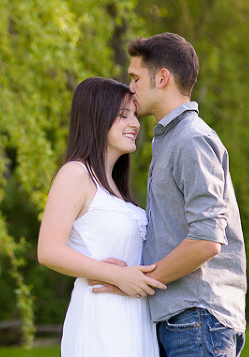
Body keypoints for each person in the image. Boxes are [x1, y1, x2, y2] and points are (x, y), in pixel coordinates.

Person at [94, 32, 247, 357]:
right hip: (184, 319)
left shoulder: (191, 140)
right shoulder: (170, 140)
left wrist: (139, 281)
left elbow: (207, 239)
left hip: (197, 318)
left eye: (135, 77)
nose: (130, 87)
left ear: (162, 77)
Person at [38, 77, 165, 357]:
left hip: (136, 319)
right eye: (123, 115)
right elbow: (48, 250)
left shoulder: (116, 189)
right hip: (101, 319)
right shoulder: (75, 174)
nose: (135, 124)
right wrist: (116, 275)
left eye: (134, 115)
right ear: (97, 117)